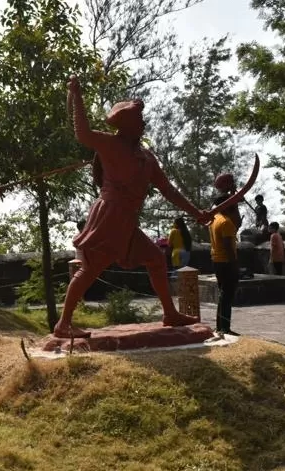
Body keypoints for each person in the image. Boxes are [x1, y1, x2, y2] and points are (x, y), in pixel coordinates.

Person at [54, 76, 212, 338]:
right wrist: (77, 96)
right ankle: (64, 324)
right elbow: (82, 133)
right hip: (109, 217)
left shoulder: (146, 157)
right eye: (139, 120)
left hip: (127, 221)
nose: (144, 123)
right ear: (127, 125)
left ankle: (169, 314)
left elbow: (168, 190)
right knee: (90, 268)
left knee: (153, 258)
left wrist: (196, 212)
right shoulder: (110, 145)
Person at [209, 192, 240, 336]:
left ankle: (220, 326)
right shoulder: (226, 222)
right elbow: (228, 246)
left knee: (223, 295)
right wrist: (234, 264)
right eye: (232, 202)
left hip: (217, 261)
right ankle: (224, 327)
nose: (234, 204)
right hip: (226, 262)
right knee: (227, 296)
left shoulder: (215, 219)